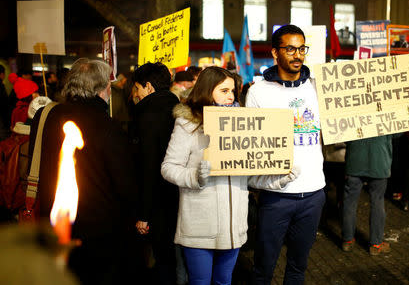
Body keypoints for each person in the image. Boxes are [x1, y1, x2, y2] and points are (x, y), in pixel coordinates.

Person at [161, 66, 298, 285]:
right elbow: (168, 167)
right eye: (224, 91)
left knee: (224, 282)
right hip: (199, 227)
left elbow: (249, 177)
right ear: (207, 90)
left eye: (233, 91)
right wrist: (195, 176)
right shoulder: (187, 124)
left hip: (233, 228)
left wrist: (280, 176)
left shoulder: (241, 124)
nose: (231, 96)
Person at [29, 58, 139, 285]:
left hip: (52, 220)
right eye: (108, 85)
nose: (111, 89)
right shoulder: (108, 126)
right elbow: (124, 183)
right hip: (99, 231)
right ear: (100, 90)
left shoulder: (45, 116)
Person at [245, 24, 326, 285]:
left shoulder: (319, 88)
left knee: (298, 267)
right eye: (290, 48)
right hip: (275, 195)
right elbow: (249, 143)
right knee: (263, 268)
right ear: (275, 53)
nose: (297, 54)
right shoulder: (258, 91)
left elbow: (359, 110)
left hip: (314, 194)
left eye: (301, 48)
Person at [131, 62, 180, 285]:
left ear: (148, 87)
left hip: (158, 202)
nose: (135, 94)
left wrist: (144, 214)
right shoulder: (179, 110)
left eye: (137, 88)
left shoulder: (147, 116)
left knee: (162, 261)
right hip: (179, 195)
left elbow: (148, 167)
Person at [341, 136, 394, 255]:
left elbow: (343, 133)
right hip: (379, 161)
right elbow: (397, 132)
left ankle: (347, 241)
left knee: (349, 202)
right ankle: (376, 244)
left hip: (355, 160)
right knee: (378, 201)